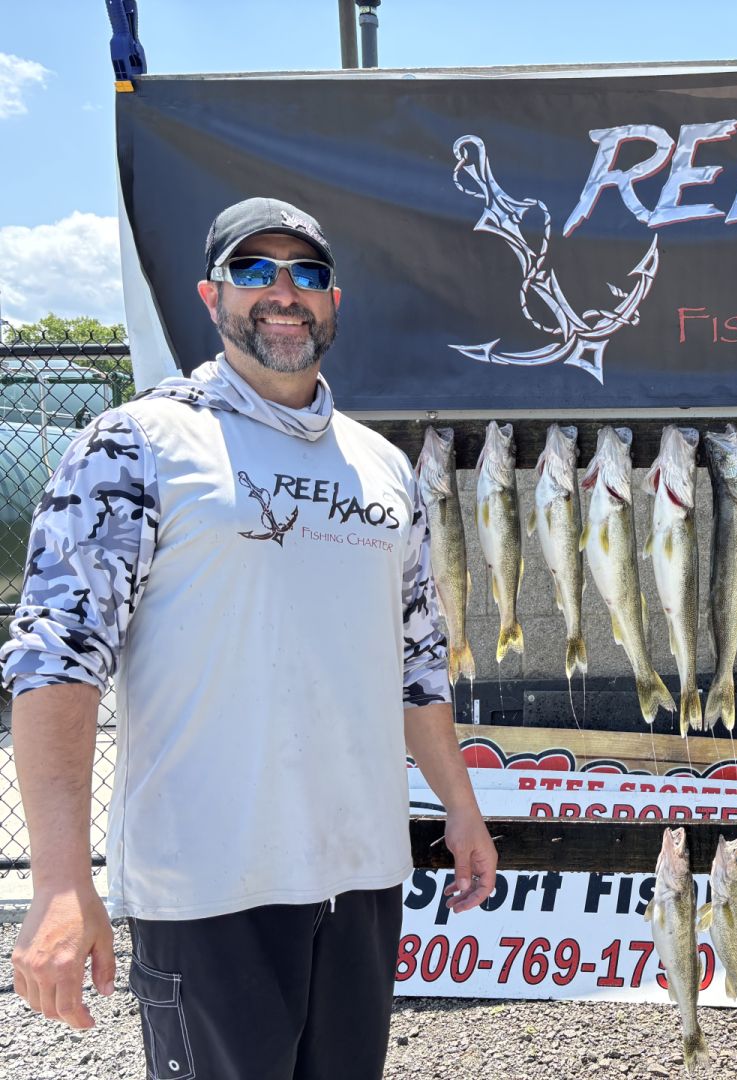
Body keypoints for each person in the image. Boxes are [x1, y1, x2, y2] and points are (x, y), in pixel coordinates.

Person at [2, 197, 497, 1079]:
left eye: (307, 273)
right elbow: (56, 662)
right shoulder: (137, 444)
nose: (282, 292)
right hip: (208, 889)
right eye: (253, 270)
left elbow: (417, 669)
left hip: (363, 876)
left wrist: (460, 806)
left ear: (334, 301)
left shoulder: (384, 469)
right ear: (211, 295)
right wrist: (60, 881)